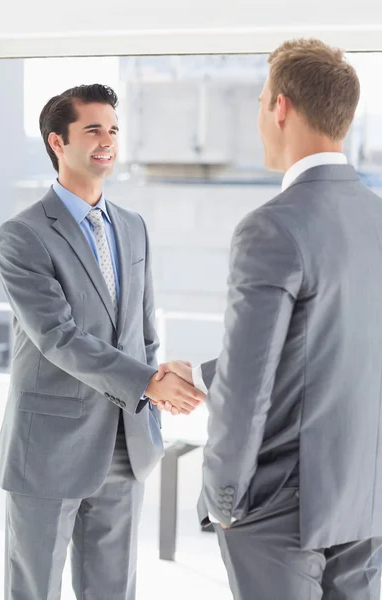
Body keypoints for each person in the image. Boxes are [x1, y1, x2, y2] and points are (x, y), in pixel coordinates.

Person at [155, 39, 382, 599]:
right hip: (366, 497)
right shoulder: (376, 217)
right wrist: (206, 375)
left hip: (282, 509)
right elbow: (337, 341)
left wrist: (224, 502)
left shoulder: (272, 227)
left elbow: (251, 386)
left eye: (260, 101)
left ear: (280, 107)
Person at [0, 83, 204, 600]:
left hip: (125, 441)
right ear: (57, 143)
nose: (106, 141)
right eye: (92, 130)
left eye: (113, 129)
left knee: (113, 590)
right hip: (49, 447)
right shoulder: (22, 235)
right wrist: (148, 382)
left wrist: (153, 388)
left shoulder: (132, 227)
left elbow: (143, 331)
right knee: (33, 588)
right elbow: (56, 336)